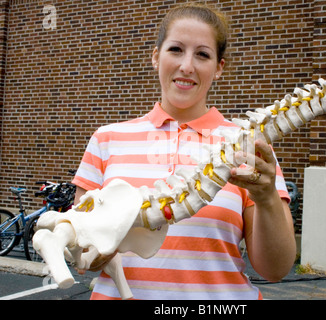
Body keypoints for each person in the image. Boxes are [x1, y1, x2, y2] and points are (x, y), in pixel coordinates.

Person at [72, 3, 296, 300]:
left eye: (202, 54)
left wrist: (266, 197)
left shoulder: (248, 145)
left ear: (219, 68)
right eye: (176, 49)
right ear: (156, 57)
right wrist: (95, 247)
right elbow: (80, 251)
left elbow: (275, 269)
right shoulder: (106, 139)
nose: (187, 66)